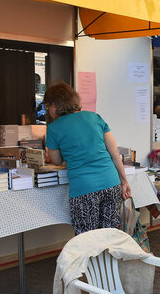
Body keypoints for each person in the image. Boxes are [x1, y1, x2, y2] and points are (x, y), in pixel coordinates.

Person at [44, 83, 131, 234]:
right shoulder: (95, 117)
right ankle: (108, 259)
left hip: (84, 189)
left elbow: (56, 161)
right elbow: (114, 153)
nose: (48, 111)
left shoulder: (53, 128)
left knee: (87, 239)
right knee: (110, 236)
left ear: (55, 105)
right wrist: (124, 181)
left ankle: (92, 259)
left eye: (48, 106)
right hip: (111, 183)